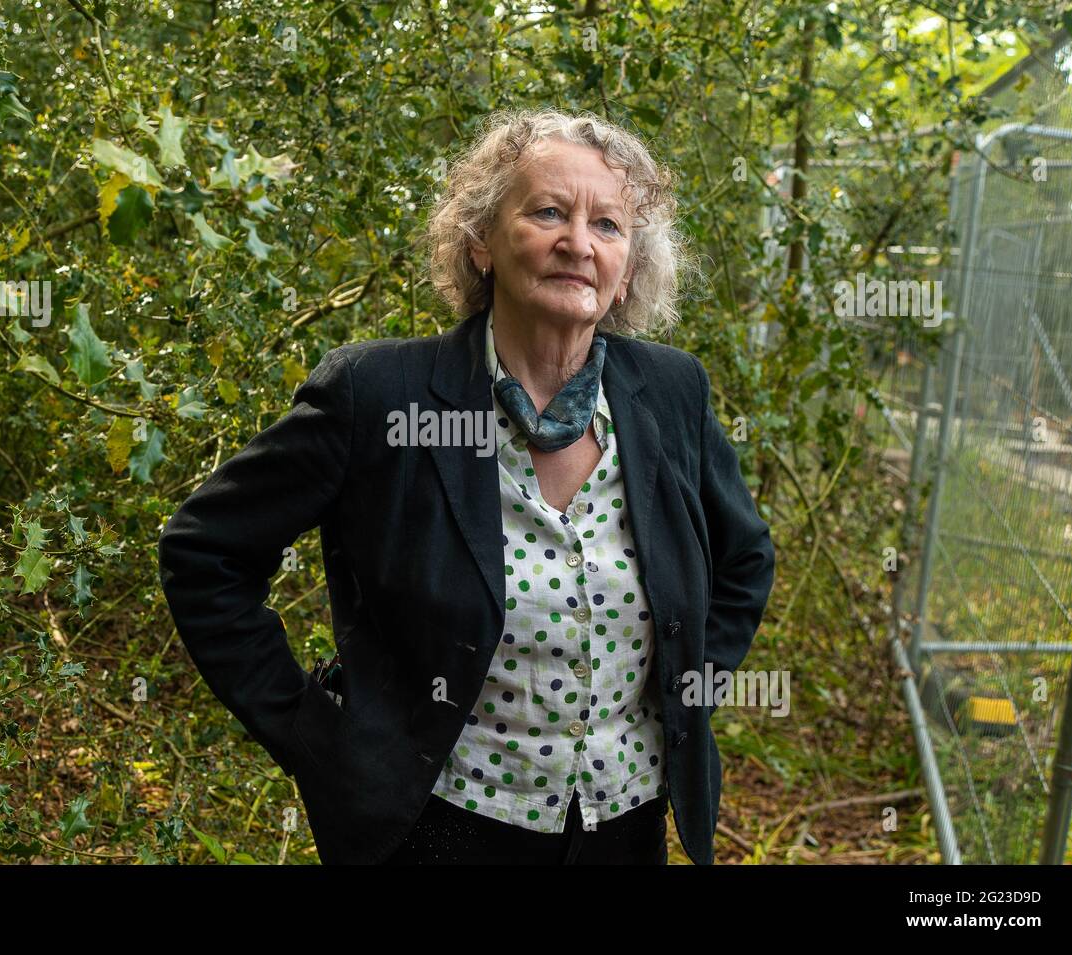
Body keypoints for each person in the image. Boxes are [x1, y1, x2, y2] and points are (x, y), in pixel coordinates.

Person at [158, 107, 775, 865]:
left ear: (628, 271)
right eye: (548, 212)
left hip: (625, 821)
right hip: (437, 824)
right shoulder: (380, 395)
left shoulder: (673, 393)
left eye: (608, 225)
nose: (577, 243)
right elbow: (205, 554)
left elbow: (745, 558)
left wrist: (687, 691)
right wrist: (310, 731)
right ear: (481, 241)